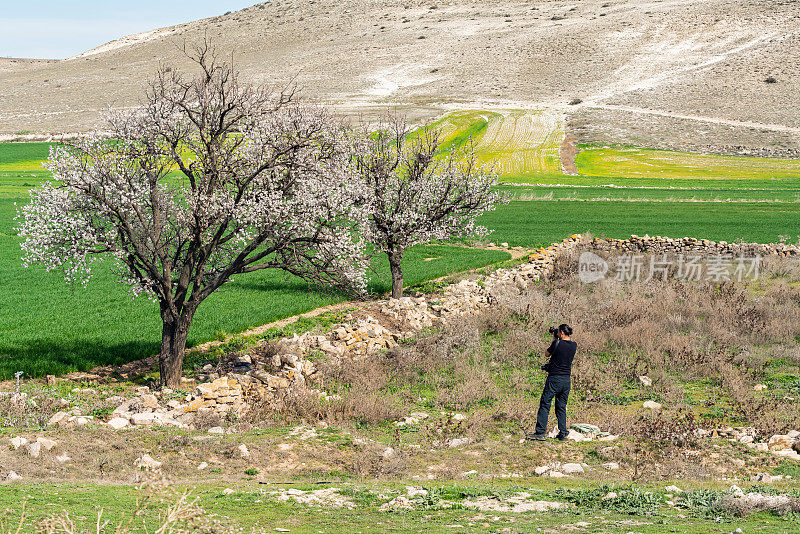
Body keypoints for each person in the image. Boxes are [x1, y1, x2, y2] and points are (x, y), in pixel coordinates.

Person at [528, 324, 576, 442]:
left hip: (554, 379)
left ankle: (540, 432)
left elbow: (547, 354)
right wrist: (557, 337)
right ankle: (563, 433)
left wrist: (554, 339)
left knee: (545, 404)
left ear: (561, 333)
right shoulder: (574, 345)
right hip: (566, 380)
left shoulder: (557, 343)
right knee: (561, 407)